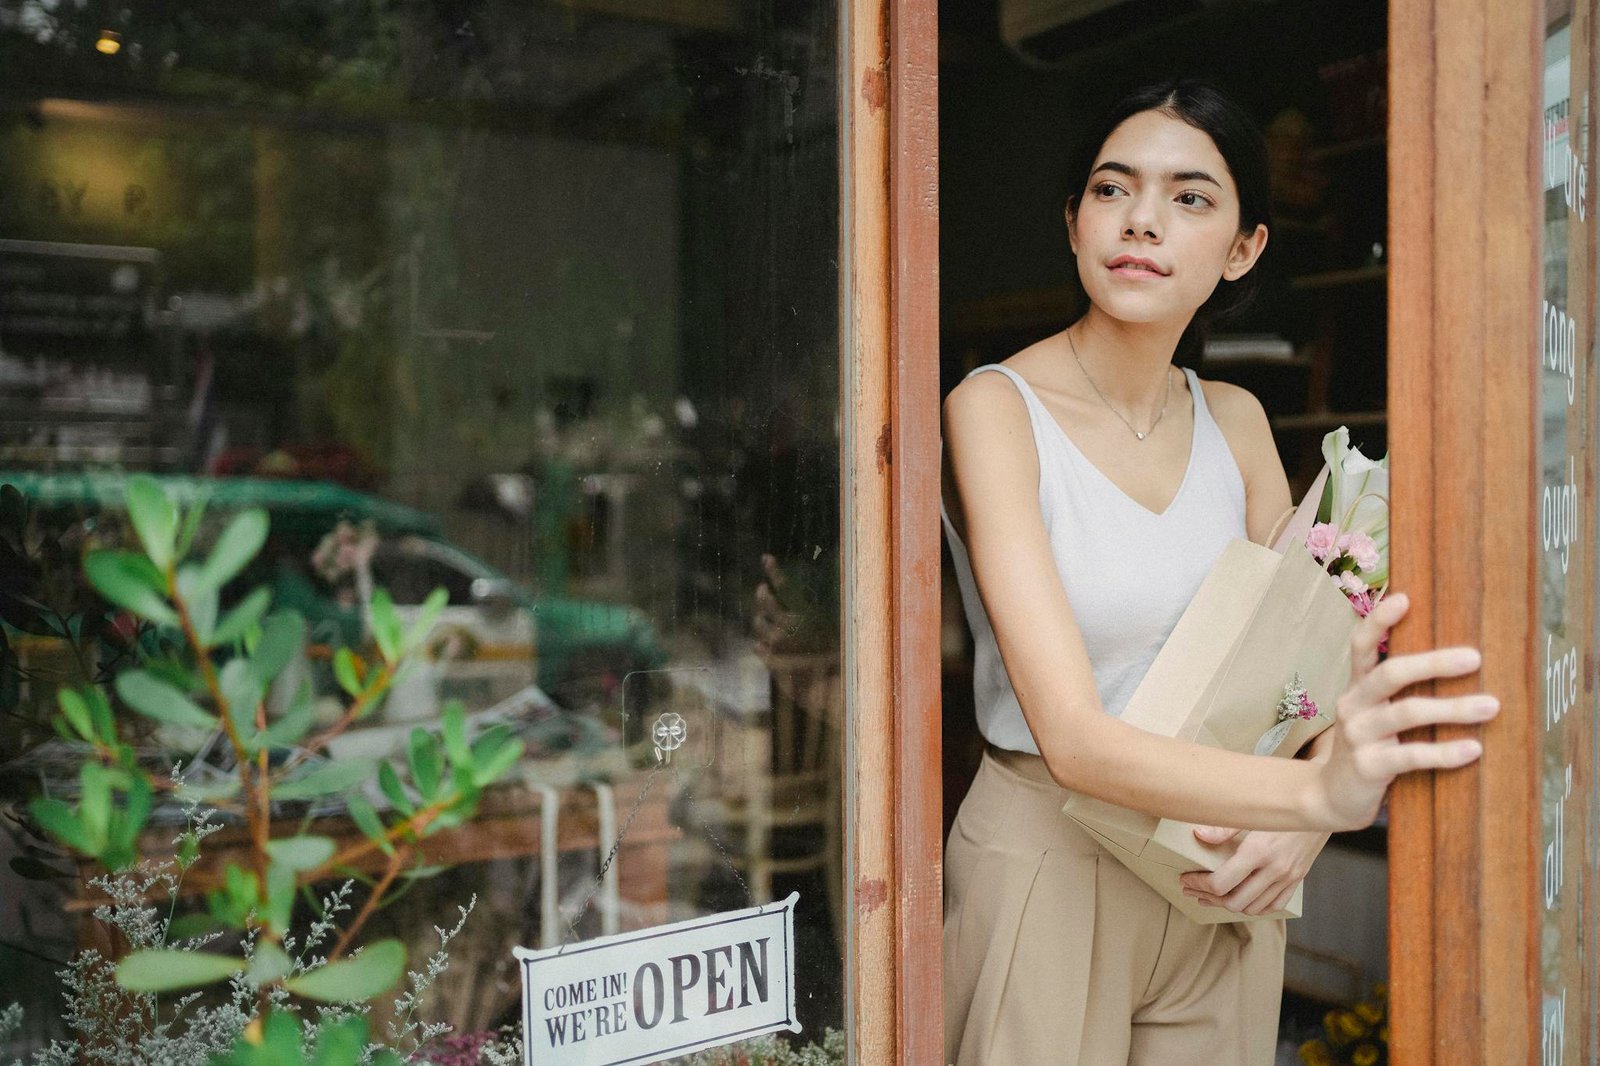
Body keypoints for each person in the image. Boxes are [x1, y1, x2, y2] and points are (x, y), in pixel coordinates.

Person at [940, 78, 1498, 1066]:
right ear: (1073, 223)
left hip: (1223, 866)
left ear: (1244, 248)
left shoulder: (1234, 418)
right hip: (1047, 856)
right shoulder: (994, 409)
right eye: (1113, 190)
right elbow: (1073, 738)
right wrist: (1321, 797)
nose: (1144, 219)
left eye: (1191, 197)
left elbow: (1308, 643)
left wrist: (1298, 828)